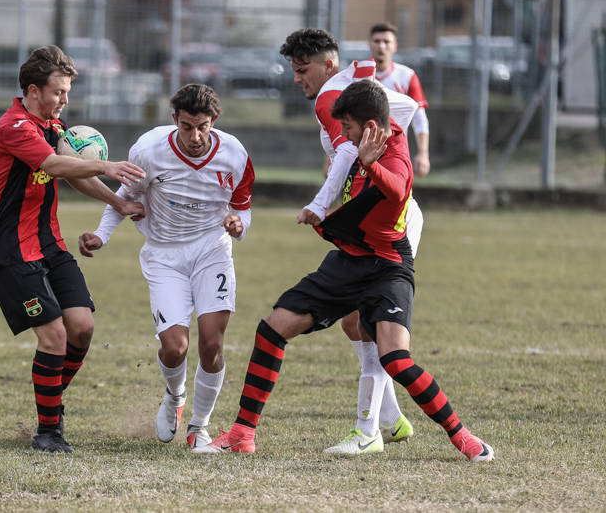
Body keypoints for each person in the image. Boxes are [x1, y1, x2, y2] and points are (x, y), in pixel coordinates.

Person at [194, 79, 494, 463]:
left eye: (348, 128)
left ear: (369, 126)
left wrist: (371, 165)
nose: (343, 136)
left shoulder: (393, 153)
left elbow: (400, 189)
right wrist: (319, 207)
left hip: (388, 267)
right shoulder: (363, 140)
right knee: (272, 330)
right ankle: (242, 433)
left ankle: (462, 436)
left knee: (396, 359)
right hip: (349, 260)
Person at [0, 45, 146, 454]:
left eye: (68, 92)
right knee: (54, 335)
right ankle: (48, 432)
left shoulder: (54, 128)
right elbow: (54, 166)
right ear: (33, 90)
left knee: (82, 328)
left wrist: (118, 202)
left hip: (49, 244)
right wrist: (108, 166)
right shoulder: (14, 127)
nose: (64, 100)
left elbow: (73, 173)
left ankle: (49, 404)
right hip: (13, 252)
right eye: (58, 92)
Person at [78, 83, 254, 449]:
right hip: (164, 255)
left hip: (211, 251)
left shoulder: (235, 154)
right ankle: (175, 396)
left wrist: (239, 225)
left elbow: (241, 205)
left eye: (202, 126)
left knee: (211, 344)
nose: (194, 136)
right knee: (175, 348)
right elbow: (124, 199)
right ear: (174, 119)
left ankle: (199, 427)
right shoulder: (148, 151)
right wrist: (101, 235)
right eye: (186, 126)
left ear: (214, 120)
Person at [279, 28, 423, 455]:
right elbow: (408, 106)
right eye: (293, 70)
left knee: (372, 323)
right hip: (384, 210)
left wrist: (321, 205)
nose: (296, 79)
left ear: (328, 65)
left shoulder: (329, 98)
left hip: (388, 217)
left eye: (303, 70)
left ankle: (367, 433)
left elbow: (346, 154)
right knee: (353, 322)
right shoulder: (355, 86)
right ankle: (390, 420)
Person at [369, 22, 431, 177]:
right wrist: (330, 157)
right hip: (362, 151)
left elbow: (419, 118)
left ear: (394, 46)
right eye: (377, 41)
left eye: (386, 42)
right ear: (370, 44)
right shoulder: (358, 76)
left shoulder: (407, 76)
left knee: (399, 199)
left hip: (396, 153)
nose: (381, 46)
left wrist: (423, 154)